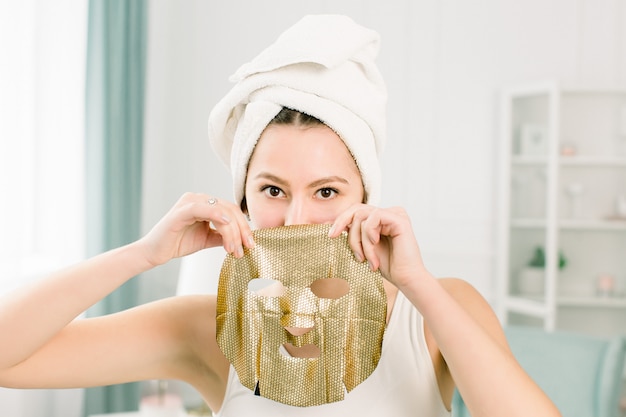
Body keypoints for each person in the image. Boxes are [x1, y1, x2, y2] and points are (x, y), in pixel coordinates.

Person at [0, 15, 560, 417]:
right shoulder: (205, 330)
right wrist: (142, 254)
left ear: (365, 196)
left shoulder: (438, 311)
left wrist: (416, 282)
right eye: (272, 189)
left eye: (326, 191)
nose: (296, 218)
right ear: (241, 199)